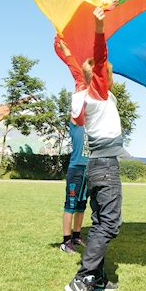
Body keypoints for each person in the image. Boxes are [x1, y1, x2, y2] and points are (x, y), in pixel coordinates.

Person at [63, 7, 125, 291]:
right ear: (105, 78)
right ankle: (84, 278)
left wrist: (68, 57)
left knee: (101, 219)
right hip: (105, 166)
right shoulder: (99, 93)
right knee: (111, 222)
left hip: (95, 165)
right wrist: (99, 26)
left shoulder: (87, 94)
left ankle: (98, 276)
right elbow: (98, 60)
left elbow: (81, 73)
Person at [56, 40, 90, 254]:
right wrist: (68, 52)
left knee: (81, 205)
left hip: (89, 169)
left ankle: (77, 236)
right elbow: (79, 79)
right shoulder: (76, 120)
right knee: (70, 204)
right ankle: (65, 240)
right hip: (76, 168)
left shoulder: (92, 123)